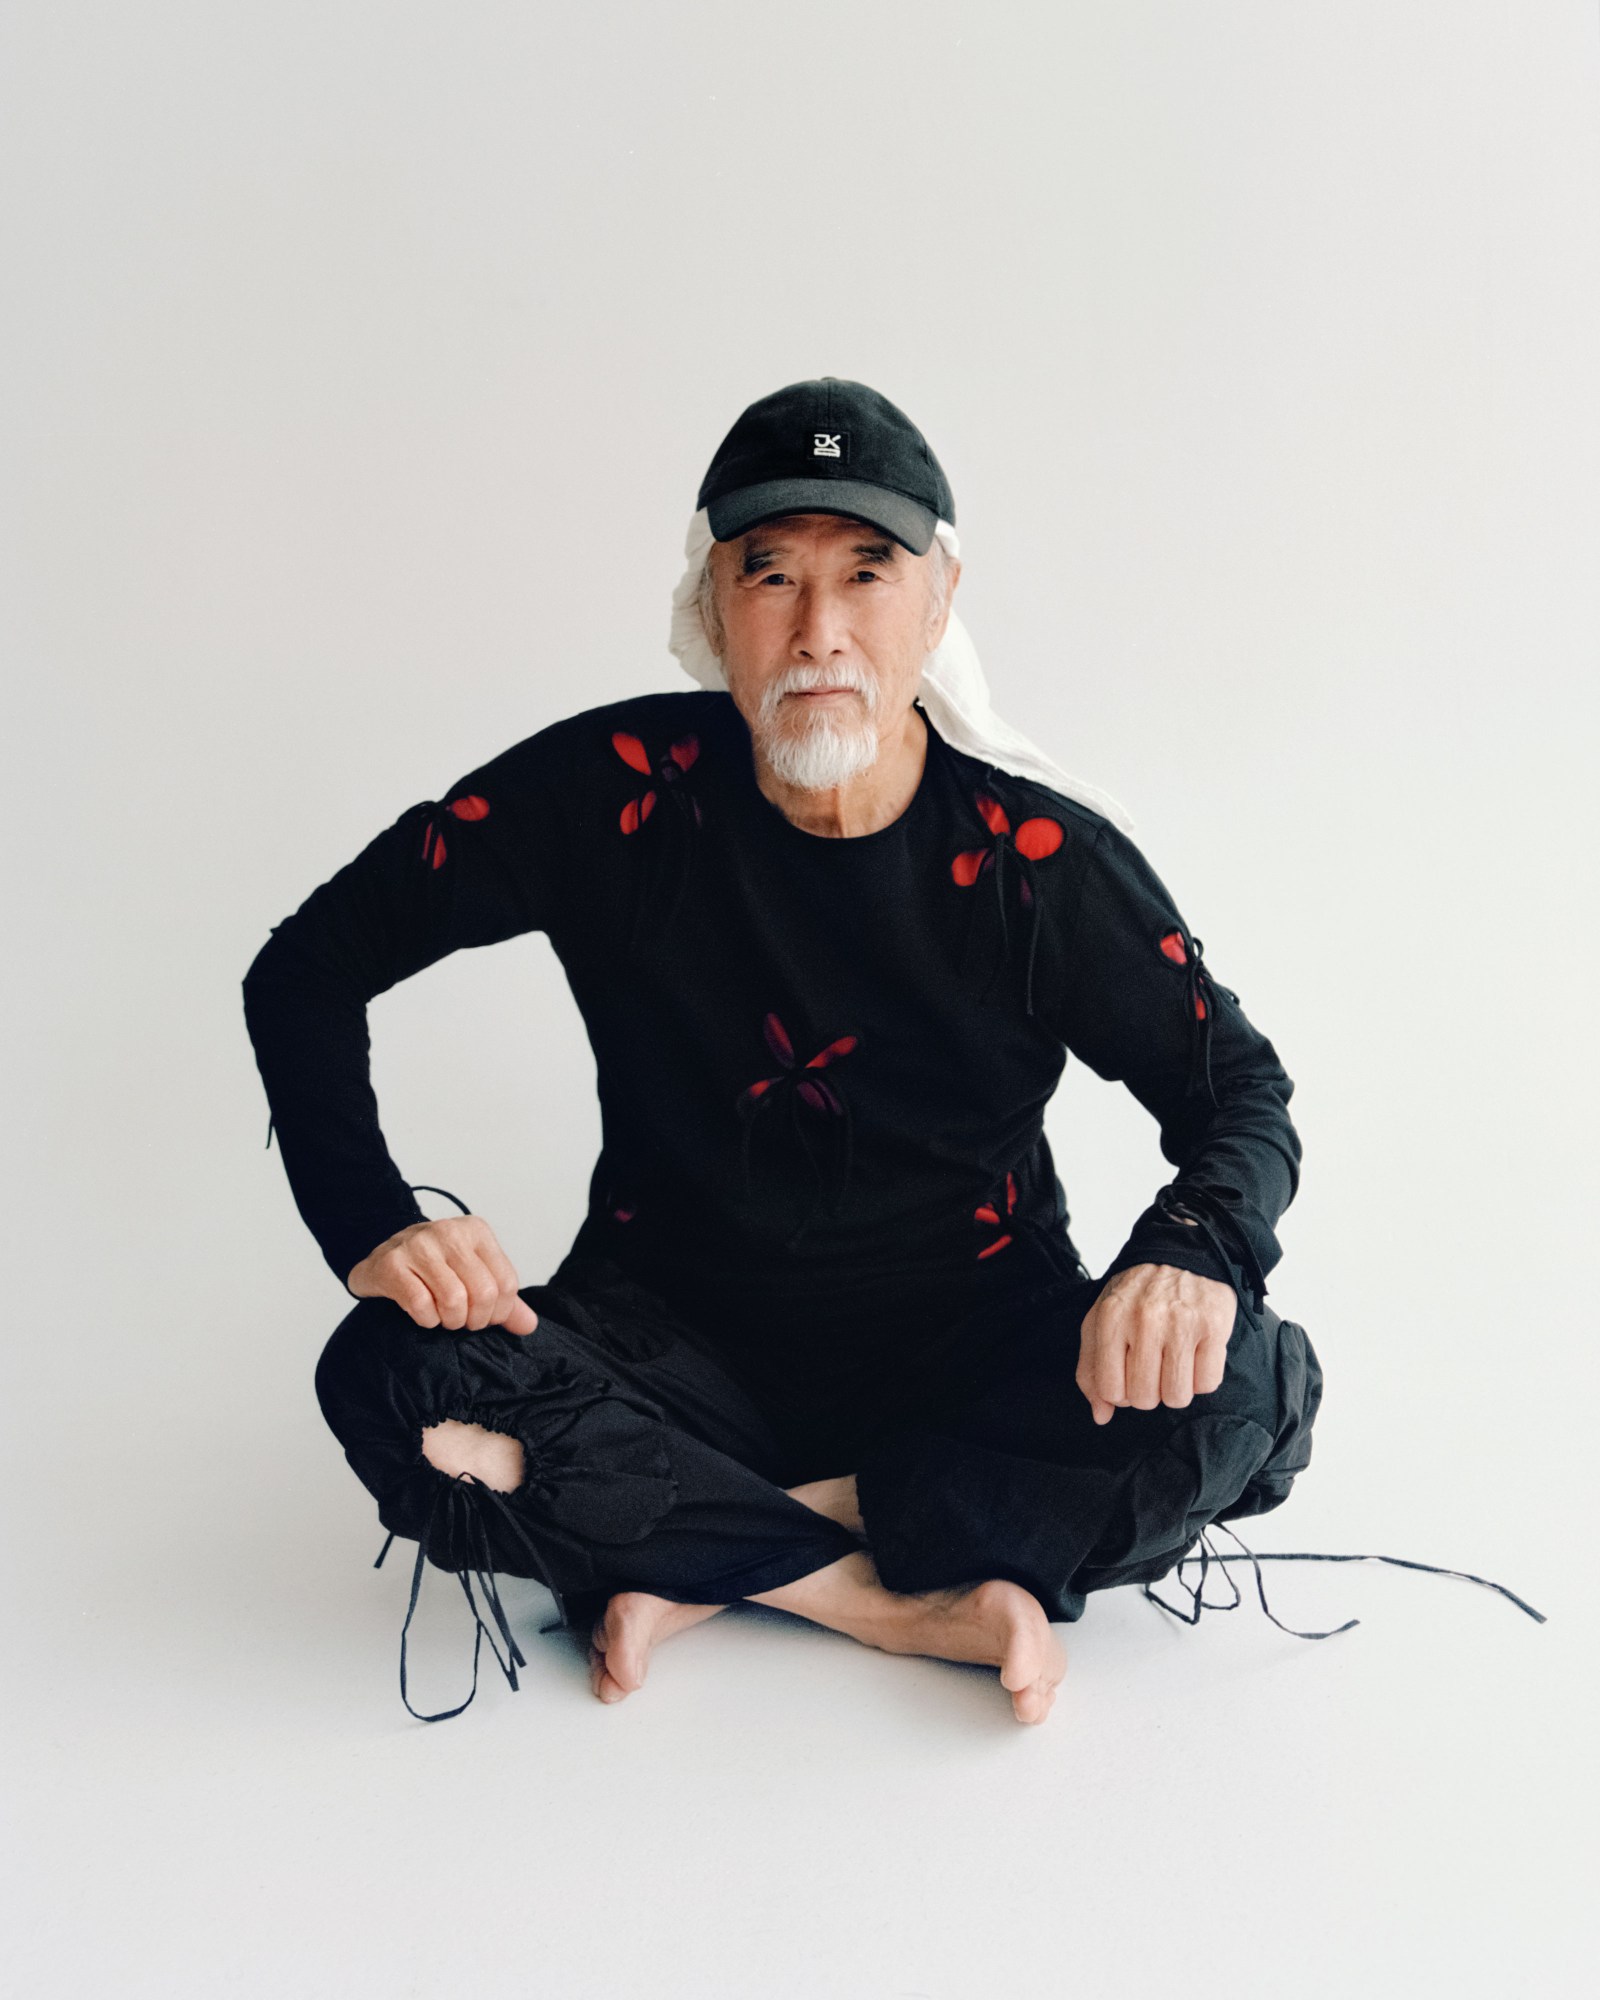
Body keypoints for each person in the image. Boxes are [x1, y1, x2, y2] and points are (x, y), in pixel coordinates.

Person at [242, 376, 1323, 1727]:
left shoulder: (1033, 864)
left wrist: (1189, 1254)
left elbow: (1241, 1093)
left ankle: (698, 1553)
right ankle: (877, 1593)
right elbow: (308, 965)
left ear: (938, 602)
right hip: (670, 1341)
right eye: (772, 577)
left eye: (867, 574)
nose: (820, 631)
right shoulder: (612, 795)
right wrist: (372, 1222)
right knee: (389, 1376)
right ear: (712, 609)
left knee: (1248, 1387)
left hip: (976, 1347)